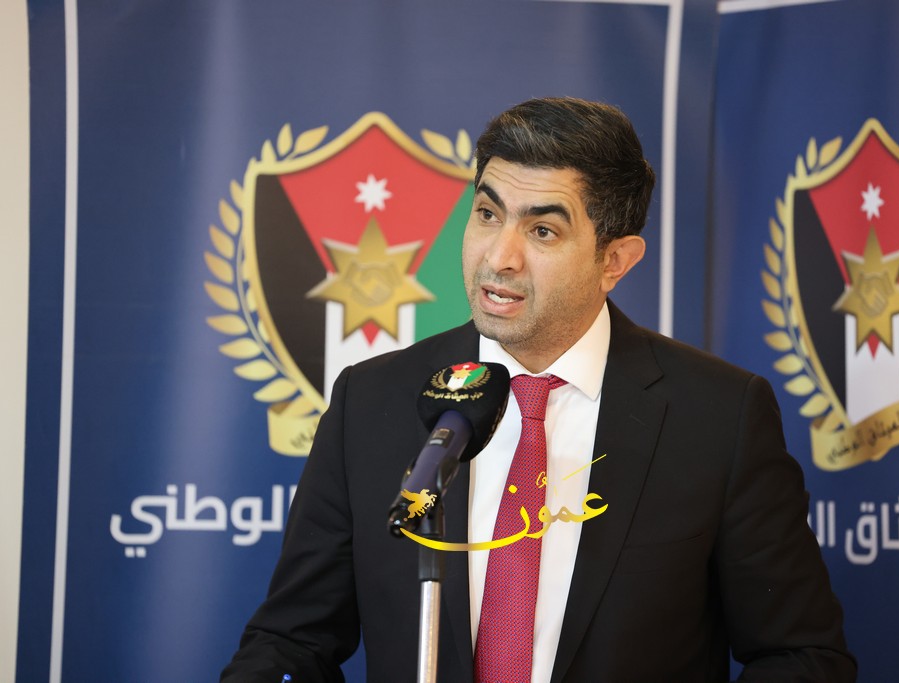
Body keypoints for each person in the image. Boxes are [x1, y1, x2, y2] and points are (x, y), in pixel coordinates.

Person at [222, 97, 856, 682]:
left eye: (542, 231)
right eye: (488, 214)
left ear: (615, 261)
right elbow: (292, 642)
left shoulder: (718, 416)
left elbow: (803, 656)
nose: (499, 257)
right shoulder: (371, 401)